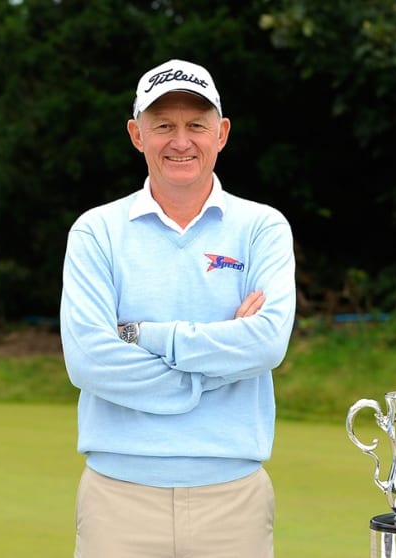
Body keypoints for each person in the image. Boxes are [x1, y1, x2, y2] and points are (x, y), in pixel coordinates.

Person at [59, 58, 297, 558]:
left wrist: (144, 335)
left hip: (235, 500)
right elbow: (89, 361)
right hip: (117, 500)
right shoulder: (95, 231)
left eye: (196, 125)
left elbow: (267, 343)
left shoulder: (263, 227)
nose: (181, 141)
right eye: (163, 125)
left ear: (222, 133)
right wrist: (214, 367)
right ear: (136, 134)